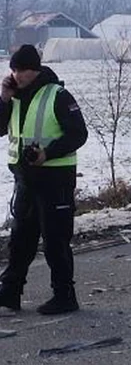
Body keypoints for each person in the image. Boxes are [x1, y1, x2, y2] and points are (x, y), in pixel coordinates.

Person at [0, 44, 88, 314]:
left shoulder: (57, 95)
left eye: (22, 70)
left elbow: (78, 134)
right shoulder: (14, 98)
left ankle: (65, 296)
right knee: (20, 240)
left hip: (55, 179)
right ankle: (10, 292)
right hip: (25, 179)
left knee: (55, 240)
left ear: (34, 70)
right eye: (14, 69)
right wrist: (3, 99)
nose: (17, 75)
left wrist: (47, 154)